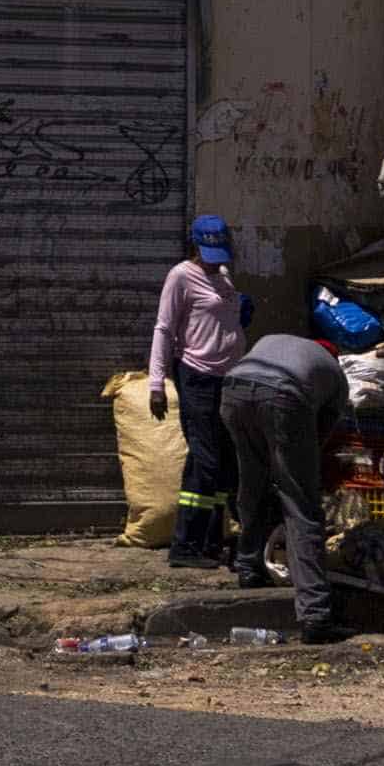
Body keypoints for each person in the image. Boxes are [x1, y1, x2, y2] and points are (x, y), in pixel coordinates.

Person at [213, 322, 352, 643]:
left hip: (233, 388)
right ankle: (316, 615)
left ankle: (248, 567)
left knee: (251, 483)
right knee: (301, 505)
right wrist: (296, 471)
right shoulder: (335, 376)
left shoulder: (274, 337)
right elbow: (319, 442)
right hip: (285, 394)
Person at [145, 215, 247, 570]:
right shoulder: (181, 276)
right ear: (194, 247)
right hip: (197, 378)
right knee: (204, 461)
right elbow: (164, 328)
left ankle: (211, 543)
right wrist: (156, 383)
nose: (215, 259)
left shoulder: (223, 277)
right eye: (208, 253)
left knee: (223, 463)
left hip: (227, 379)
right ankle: (185, 546)